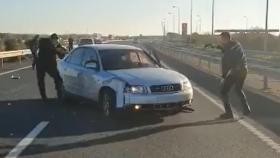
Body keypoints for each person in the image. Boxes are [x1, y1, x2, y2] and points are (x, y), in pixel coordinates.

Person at [218, 32, 251, 119]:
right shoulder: (234, 46)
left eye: (222, 38)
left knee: (224, 91)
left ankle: (229, 113)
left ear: (227, 38)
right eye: (221, 38)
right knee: (238, 89)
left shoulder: (232, 47)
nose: (221, 40)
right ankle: (246, 109)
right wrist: (224, 75)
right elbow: (225, 62)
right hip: (242, 71)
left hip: (236, 72)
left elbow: (229, 62)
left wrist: (225, 75)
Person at [36, 33, 67, 101]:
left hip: (50, 65)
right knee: (41, 80)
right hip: (41, 64)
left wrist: (62, 52)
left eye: (56, 40)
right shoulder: (45, 44)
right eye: (54, 40)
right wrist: (56, 49)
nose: (55, 41)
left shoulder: (57, 45)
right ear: (51, 39)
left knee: (58, 79)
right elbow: (37, 49)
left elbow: (61, 56)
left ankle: (59, 94)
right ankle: (43, 96)